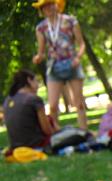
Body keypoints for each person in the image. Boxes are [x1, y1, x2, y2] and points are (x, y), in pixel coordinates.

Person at [31, 0, 88, 130]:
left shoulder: (71, 21)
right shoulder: (41, 28)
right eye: (45, 6)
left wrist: (78, 58)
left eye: (51, 4)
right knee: (52, 106)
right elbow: (41, 51)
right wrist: (39, 57)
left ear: (57, 5)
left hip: (72, 64)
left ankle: (84, 132)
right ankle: (55, 135)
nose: (49, 8)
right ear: (42, 10)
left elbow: (81, 44)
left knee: (79, 103)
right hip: (54, 67)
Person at [2, 69, 57, 151]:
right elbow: (47, 130)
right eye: (36, 81)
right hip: (35, 144)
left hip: (16, 146)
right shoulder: (34, 99)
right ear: (29, 80)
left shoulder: (7, 100)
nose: (38, 85)